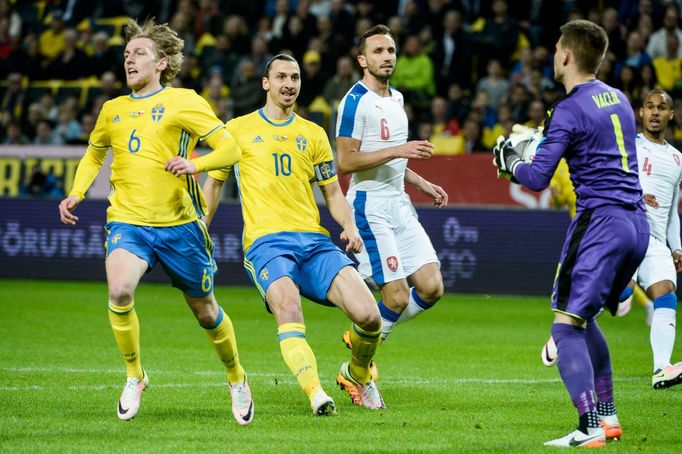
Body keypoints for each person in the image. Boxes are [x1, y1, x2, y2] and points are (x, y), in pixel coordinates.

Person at [57, 18, 253, 425]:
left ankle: (236, 376)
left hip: (180, 225)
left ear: (162, 63)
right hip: (128, 220)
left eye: (139, 54)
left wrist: (194, 162)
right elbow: (95, 153)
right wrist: (77, 191)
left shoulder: (186, 101)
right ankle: (134, 375)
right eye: (127, 54)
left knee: (206, 312)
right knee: (120, 289)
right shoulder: (113, 109)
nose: (130, 60)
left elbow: (231, 149)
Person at [167, 53, 385, 414]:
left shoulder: (313, 134)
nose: (289, 84)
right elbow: (213, 185)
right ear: (265, 83)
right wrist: (199, 229)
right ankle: (315, 393)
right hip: (266, 243)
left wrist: (348, 226)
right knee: (288, 305)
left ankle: (357, 374)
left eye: (295, 78)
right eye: (281, 77)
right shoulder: (235, 130)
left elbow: (332, 193)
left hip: (314, 242)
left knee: (370, 316)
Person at [493, 20, 649, 447]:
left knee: (564, 327)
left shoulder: (568, 108)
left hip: (599, 222)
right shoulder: (618, 98)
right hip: (637, 225)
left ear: (566, 54)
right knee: (586, 318)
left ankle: (589, 425)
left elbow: (539, 177)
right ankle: (609, 415)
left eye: (557, 47)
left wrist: (510, 162)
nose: (553, 54)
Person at [335, 24, 448, 358]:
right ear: (362, 59)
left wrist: (420, 182)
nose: (386, 58)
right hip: (369, 205)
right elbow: (346, 161)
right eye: (378, 52)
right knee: (396, 296)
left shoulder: (397, 98)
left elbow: (391, 157)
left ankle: (362, 338)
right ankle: (357, 368)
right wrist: (399, 151)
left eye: (391, 51)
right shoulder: (355, 102)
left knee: (431, 287)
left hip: (398, 201)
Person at [632, 89, 682, 389]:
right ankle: (563, 332)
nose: (654, 112)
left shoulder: (678, 159)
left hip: (655, 240)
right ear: (641, 112)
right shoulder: (627, 147)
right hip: (623, 230)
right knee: (612, 298)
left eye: (661, 108)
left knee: (666, 293)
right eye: (649, 107)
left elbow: (673, 210)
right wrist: (636, 196)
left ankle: (661, 367)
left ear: (670, 115)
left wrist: (676, 245)